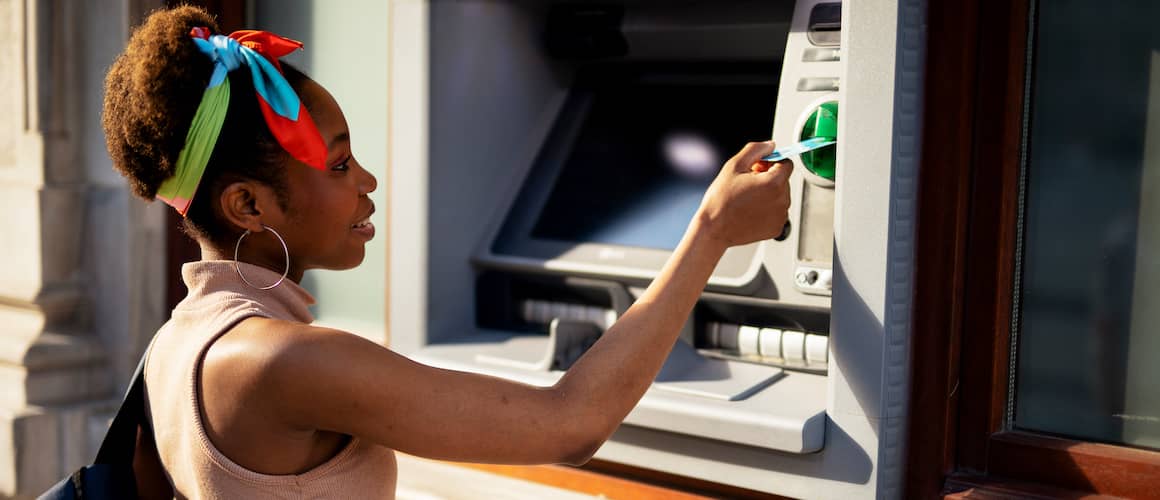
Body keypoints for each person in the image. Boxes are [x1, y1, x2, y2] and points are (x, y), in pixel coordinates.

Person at [104, 6, 792, 499]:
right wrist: (710, 232)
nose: (368, 182)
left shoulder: (176, 342)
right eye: (340, 165)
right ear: (249, 206)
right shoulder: (284, 361)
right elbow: (570, 426)